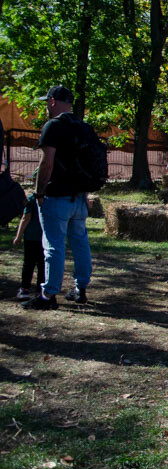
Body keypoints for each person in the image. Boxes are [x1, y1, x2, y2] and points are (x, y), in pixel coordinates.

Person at [21, 86, 95, 310]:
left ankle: (48, 294)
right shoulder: (83, 127)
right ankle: (80, 288)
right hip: (79, 197)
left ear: (53, 101)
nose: (46, 105)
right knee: (80, 243)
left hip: (56, 196)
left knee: (53, 245)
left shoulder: (53, 126)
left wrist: (39, 192)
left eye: (47, 101)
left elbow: (47, 162)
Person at [13, 192, 44, 300]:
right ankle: (41, 290)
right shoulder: (51, 198)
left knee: (28, 264)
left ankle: (25, 289)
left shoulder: (32, 198)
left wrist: (18, 236)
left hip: (31, 237)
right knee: (43, 264)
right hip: (46, 237)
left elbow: (26, 218)